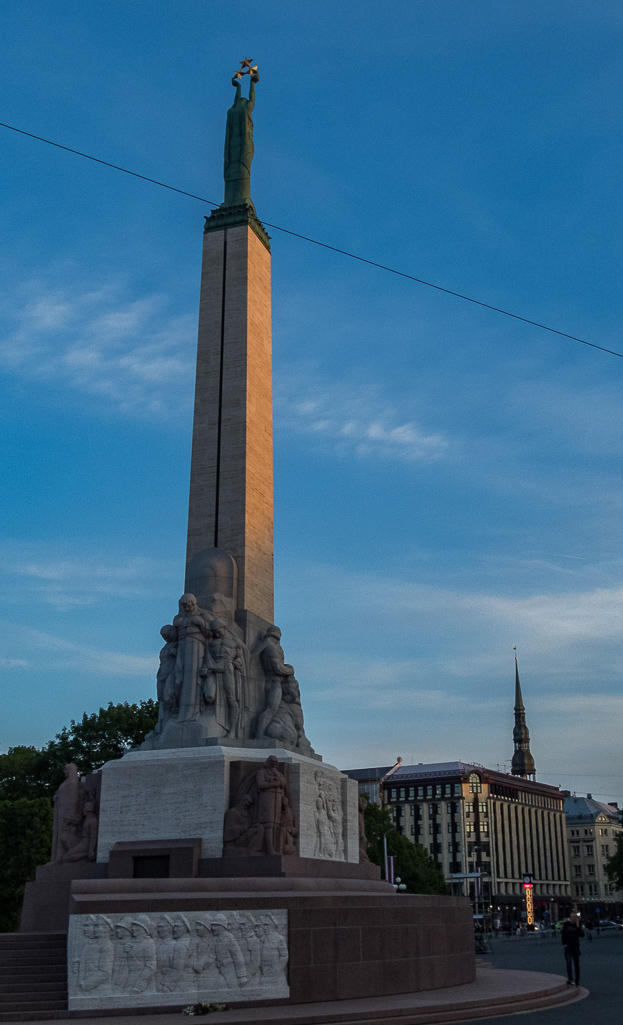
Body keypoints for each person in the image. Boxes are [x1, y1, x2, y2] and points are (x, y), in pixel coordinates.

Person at [561, 911, 584, 987]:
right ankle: (571, 979)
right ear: (570, 917)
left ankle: (577, 981)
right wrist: (564, 944)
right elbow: (563, 933)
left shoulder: (577, 925)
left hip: (576, 947)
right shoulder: (566, 924)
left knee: (577, 965)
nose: (573, 918)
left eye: (575, 917)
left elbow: (582, 935)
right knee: (568, 964)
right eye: (572, 916)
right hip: (568, 948)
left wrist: (578, 927)